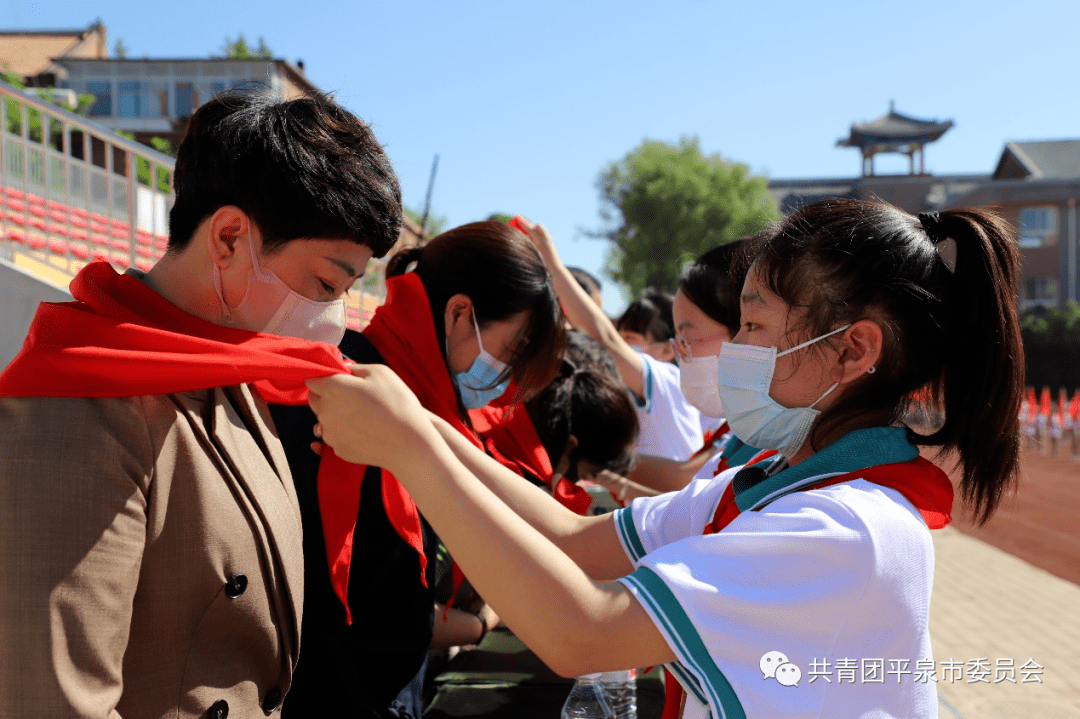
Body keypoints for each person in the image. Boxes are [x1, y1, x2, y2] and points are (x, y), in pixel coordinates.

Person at [306, 200, 1023, 719]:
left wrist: (411, 447)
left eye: (753, 324)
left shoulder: (847, 529)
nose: (734, 347)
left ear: (854, 350)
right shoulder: (763, 484)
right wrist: (426, 433)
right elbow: (578, 541)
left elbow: (582, 629)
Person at [0, 87, 403, 717]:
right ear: (229, 239)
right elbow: (52, 701)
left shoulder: (239, 373)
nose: (334, 318)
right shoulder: (76, 406)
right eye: (325, 284)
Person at [268, 220, 565, 717]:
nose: (507, 383)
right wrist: (478, 623)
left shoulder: (421, 402)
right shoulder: (351, 391)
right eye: (510, 354)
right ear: (459, 313)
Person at [518, 218, 711, 463]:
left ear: (667, 349)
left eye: (630, 338)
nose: (621, 343)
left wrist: (552, 266)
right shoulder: (603, 383)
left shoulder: (667, 381)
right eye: (621, 334)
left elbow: (603, 339)